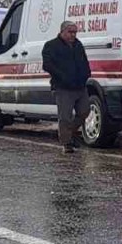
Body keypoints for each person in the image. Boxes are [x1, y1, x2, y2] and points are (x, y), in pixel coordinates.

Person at [42, 21, 91, 154]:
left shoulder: (78, 45)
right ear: (62, 31)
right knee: (65, 116)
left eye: (75, 32)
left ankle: (70, 132)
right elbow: (47, 64)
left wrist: (86, 74)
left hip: (80, 86)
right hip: (62, 87)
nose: (73, 35)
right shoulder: (51, 45)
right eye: (70, 32)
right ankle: (66, 143)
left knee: (85, 111)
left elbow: (84, 61)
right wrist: (61, 76)